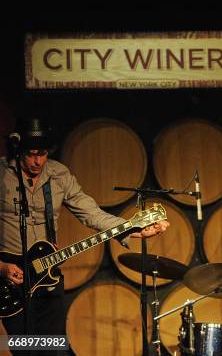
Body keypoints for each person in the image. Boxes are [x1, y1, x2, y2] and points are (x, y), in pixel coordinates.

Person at [0, 117, 169, 353]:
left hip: (47, 276)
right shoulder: (2, 174)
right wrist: (2, 267)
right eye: (31, 154)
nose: (38, 161)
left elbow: (91, 213)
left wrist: (132, 228)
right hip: (10, 279)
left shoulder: (58, 175)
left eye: (43, 153)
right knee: (23, 348)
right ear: (19, 150)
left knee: (54, 348)